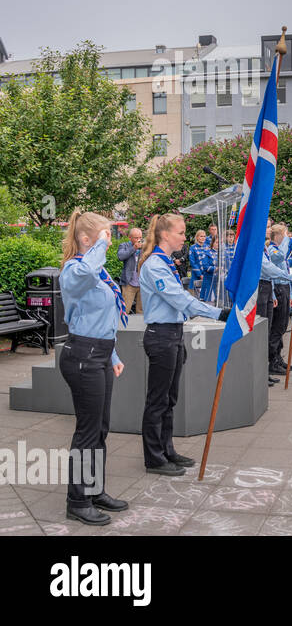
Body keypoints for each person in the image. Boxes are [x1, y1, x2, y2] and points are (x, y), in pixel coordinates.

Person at [138, 213, 225, 476]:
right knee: (157, 400)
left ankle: (167, 449)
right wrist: (219, 313)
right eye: (180, 232)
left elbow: (181, 300)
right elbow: (180, 300)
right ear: (165, 235)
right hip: (161, 335)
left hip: (174, 333)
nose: (184, 237)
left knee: (170, 398)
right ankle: (154, 458)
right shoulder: (155, 265)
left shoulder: (167, 263)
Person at [58, 211, 130, 525]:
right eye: (105, 235)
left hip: (99, 353)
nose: (110, 241)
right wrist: (98, 244)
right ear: (87, 239)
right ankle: (77, 501)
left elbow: (102, 321)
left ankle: (94, 489)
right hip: (82, 355)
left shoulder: (96, 270)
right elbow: (87, 271)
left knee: (100, 429)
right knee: (87, 431)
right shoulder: (75, 270)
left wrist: (112, 356)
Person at [263, 225, 292, 377]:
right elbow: (279, 258)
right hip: (277, 287)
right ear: (278, 235)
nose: (287, 236)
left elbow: (284, 269)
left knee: (282, 325)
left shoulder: (276, 248)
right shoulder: (272, 249)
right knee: (277, 326)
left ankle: (278, 357)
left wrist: (291, 294)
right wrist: (285, 241)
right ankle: (273, 360)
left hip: (284, 287)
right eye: (285, 233)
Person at [116, 228, 143, 314]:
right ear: (130, 237)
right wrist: (133, 248)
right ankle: (121, 327)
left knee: (141, 311)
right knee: (125, 310)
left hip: (142, 283)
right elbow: (121, 256)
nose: (139, 240)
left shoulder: (144, 247)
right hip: (129, 283)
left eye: (140, 237)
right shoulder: (124, 245)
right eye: (136, 238)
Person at [188, 230, 215, 302]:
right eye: (201, 236)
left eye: (204, 236)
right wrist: (200, 274)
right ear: (197, 237)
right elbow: (193, 263)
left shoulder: (208, 248)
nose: (203, 238)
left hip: (207, 275)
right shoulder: (192, 248)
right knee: (196, 298)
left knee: (207, 297)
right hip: (197, 275)